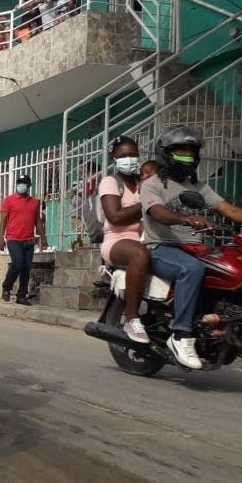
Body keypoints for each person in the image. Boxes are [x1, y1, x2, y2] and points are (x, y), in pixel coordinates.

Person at [141, 125, 242, 370]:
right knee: (191, 269)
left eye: (191, 152)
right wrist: (185, 219)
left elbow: (230, 210)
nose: (187, 156)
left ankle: (223, 322)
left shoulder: (199, 187)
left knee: (235, 267)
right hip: (161, 248)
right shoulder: (152, 184)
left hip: (195, 248)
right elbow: (158, 213)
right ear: (165, 154)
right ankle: (181, 335)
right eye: (181, 151)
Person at [99, 136, 151, 343]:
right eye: (123, 156)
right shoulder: (110, 182)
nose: (129, 159)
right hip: (117, 240)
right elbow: (115, 217)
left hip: (148, 237)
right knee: (139, 254)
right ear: (114, 158)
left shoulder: (145, 181)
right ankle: (132, 319)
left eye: (132, 155)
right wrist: (147, 203)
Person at [0, 174, 47, 305]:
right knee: (17, 263)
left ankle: (21, 296)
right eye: (19, 183)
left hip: (29, 240)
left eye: (24, 183)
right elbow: (3, 220)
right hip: (13, 238)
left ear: (29, 185)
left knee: (26, 268)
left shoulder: (35, 202)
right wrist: (1, 238)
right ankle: (6, 287)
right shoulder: (9, 200)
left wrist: (43, 238)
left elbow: (38, 221)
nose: (21, 185)